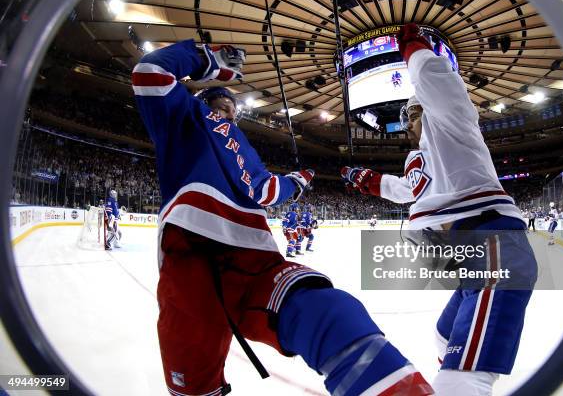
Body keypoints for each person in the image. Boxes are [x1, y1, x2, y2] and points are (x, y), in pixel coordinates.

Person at [132, 40, 433, 396]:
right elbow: (149, 72)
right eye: (220, 103)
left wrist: (296, 181)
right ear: (202, 101)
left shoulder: (243, 145)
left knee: (331, 312)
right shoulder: (182, 116)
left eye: (232, 107)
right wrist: (206, 58)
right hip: (192, 259)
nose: (228, 111)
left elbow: (265, 192)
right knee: (195, 388)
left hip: (255, 260)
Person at [341, 23, 537, 395]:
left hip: (493, 245)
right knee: (441, 336)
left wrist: (414, 47)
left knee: (463, 378)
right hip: (469, 257)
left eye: (411, 116)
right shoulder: (421, 158)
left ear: (424, 111)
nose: (407, 125)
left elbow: (438, 84)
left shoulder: (450, 125)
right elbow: (405, 190)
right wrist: (365, 179)